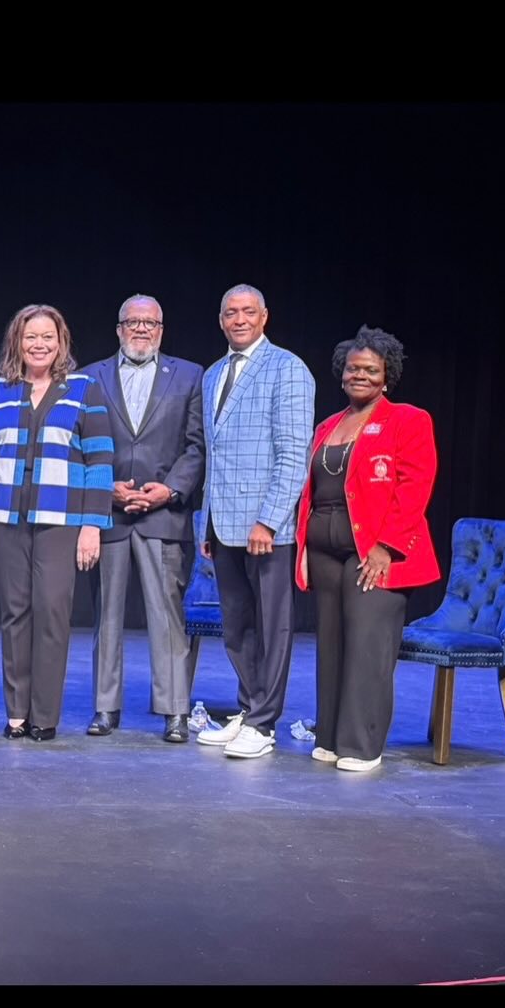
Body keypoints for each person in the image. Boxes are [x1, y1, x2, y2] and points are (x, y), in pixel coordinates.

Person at [0, 304, 112, 741]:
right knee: (15, 613)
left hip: (61, 520)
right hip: (3, 518)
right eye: (31, 337)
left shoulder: (83, 390)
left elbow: (100, 461)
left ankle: (44, 716)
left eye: (48, 337)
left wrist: (91, 526)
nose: (39, 344)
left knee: (51, 612)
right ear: (17, 342)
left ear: (61, 342)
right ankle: (16, 714)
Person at [295, 326, 439, 774]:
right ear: (342, 373)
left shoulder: (409, 420)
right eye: (353, 368)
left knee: (367, 648)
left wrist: (386, 547)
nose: (360, 375)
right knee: (332, 645)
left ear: (386, 376)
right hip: (325, 551)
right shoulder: (328, 426)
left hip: (376, 554)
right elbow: (312, 491)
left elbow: (415, 487)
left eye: (370, 370)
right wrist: (302, 546)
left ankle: (362, 745)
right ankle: (332, 738)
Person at [197, 284, 314, 759]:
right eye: (230, 312)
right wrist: (206, 523)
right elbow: (215, 455)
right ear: (221, 319)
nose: (239, 319)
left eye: (248, 311)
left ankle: (265, 723)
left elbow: (293, 455)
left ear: (264, 317)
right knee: (237, 625)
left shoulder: (288, 368)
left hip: (266, 528)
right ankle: (248, 707)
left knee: (272, 626)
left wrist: (268, 520)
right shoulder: (213, 374)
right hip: (223, 523)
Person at [81, 294, 205, 742]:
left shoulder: (190, 376)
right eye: (132, 322)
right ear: (118, 329)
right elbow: (79, 442)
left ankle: (175, 711)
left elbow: (196, 446)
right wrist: (104, 487)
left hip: (163, 515)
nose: (140, 329)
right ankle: (105, 707)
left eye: (149, 323)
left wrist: (168, 490)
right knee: (106, 617)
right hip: (108, 514)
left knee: (166, 617)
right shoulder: (89, 377)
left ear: (161, 330)